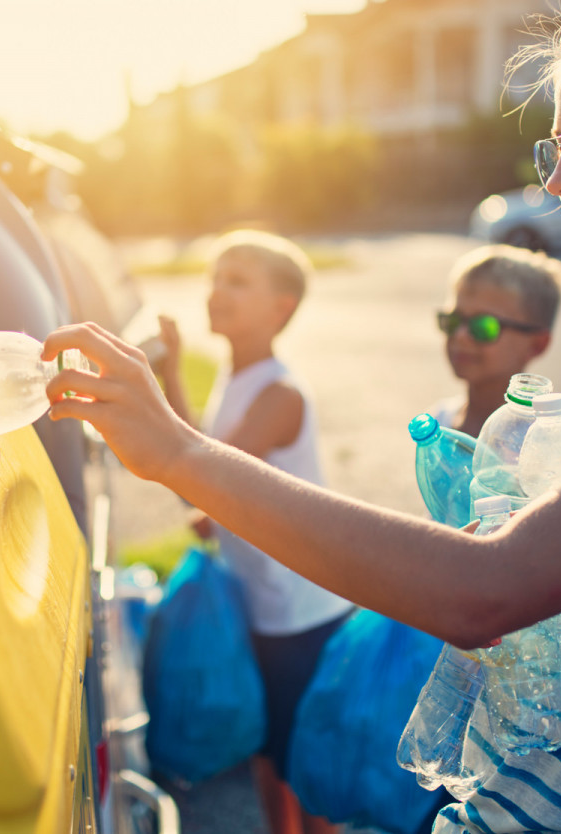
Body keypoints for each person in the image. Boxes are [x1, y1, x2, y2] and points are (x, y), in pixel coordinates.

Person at [45, 1, 561, 831]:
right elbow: (527, 619)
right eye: (552, 147)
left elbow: (485, 593)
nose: (557, 180)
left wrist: (180, 454)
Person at [152, 229, 353, 834]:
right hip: (262, 602)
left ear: (280, 308)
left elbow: (201, 474)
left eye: (237, 280)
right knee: (268, 752)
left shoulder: (278, 393)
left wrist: (208, 498)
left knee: (303, 764)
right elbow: (206, 465)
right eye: (215, 277)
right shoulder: (236, 378)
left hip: (298, 611)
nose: (218, 291)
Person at [429, 244, 561, 436]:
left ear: (537, 344)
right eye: (453, 320)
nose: (461, 335)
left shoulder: (542, 439)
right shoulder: (440, 420)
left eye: (484, 326)